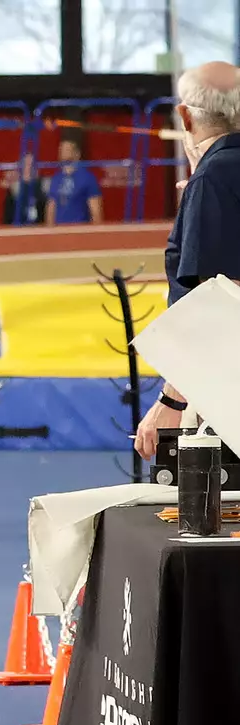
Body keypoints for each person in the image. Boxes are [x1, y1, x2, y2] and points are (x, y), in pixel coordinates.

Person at [134, 61, 240, 465]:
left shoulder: (214, 181)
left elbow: (219, 304)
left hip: (224, 389)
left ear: (184, 116)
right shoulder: (216, 177)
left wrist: (172, 401)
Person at [45, 136, 103, 226]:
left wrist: (95, 232)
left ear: (77, 153)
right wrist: (49, 231)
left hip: (79, 231)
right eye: (61, 149)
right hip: (58, 232)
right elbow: (51, 207)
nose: (62, 152)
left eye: (66, 149)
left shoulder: (87, 178)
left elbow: (96, 211)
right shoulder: (56, 178)